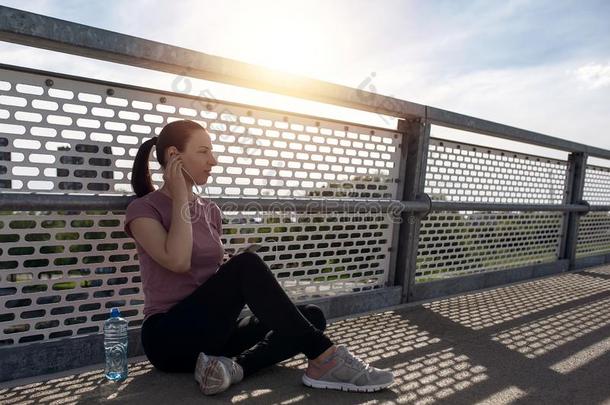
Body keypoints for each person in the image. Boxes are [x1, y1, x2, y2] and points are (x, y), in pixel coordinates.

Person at [123, 119, 394, 395]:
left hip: (216, 334)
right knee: (247, 266)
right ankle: (326, 358)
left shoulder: (210, 210)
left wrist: (226, 269)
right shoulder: (143, 209)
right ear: (173, 156)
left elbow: (210, 274)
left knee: (311, 316)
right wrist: (180, 196)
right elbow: (178, 261)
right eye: (203, 151)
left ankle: (231, 369)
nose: (213, 161)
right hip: (169, 339)